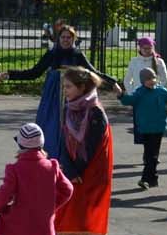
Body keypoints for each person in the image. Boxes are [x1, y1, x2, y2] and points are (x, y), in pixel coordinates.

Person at [11, 24, 115, 157]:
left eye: (69, 37)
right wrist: (10, 75)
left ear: (73, 39)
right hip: (53, 97)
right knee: (51, 124)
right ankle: (48, 155)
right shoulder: (52, 54)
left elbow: (93, 73)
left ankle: (69, 158)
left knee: (71, 127)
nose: (66, 40)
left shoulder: (78, 55)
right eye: (63, 37)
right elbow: (34, 73)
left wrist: (113, 83)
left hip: (73, 97)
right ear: (58, 38)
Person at [54, 68, 114, 235]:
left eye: (69, 86)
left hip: (91, 172)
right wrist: (68, 168)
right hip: (74, 169)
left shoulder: (94, 111)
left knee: (87, 215)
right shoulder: (69, 107)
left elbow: (91, 146)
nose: (65, 90)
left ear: (82, 87)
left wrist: (77, 170)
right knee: (75, 212)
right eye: (65, 86)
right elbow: (64, 138)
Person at [118, 65, 167, 190]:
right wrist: (121, 94)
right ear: (143, 81)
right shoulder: (140, 92)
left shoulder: (161, 91)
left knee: (151, 155)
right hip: (145, 127)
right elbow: (129, 101)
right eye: (148, 79)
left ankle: (145, 179)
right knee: (151, 155)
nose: (151, 81)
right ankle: (153, 179)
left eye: (153, 78)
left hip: (158, 127)